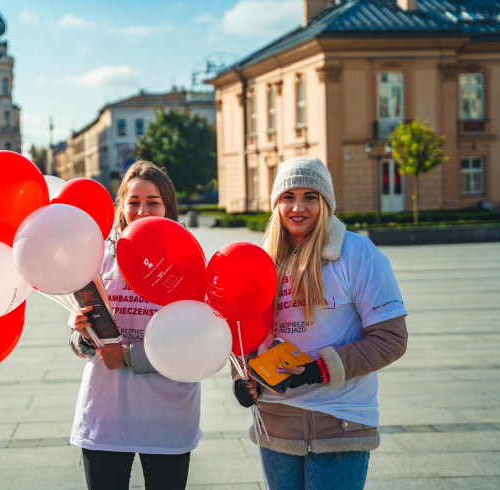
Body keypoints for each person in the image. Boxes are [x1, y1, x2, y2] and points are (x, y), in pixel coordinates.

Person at [232, 157, 408, 490]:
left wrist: (318, 370)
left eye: (310, 196)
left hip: (340, 423)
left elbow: (391, 339)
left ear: (325, 202)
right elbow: (243, 333)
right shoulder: (261, 260)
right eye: (288, 197)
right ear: (276, 204)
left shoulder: (356, 253)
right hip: (276, 424)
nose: (297, 207)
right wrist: (242, 379)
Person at [69, 160, 201, 490]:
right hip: (106, 417)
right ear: (122, 207)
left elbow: (194, 347)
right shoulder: (99, 258)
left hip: (167, 417)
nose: (142, 211)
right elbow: (76, 342)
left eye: (153, 202)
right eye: (134, 202)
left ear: (168, 207)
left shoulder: (189, 261)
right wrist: (83, 336)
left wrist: (127, 356)